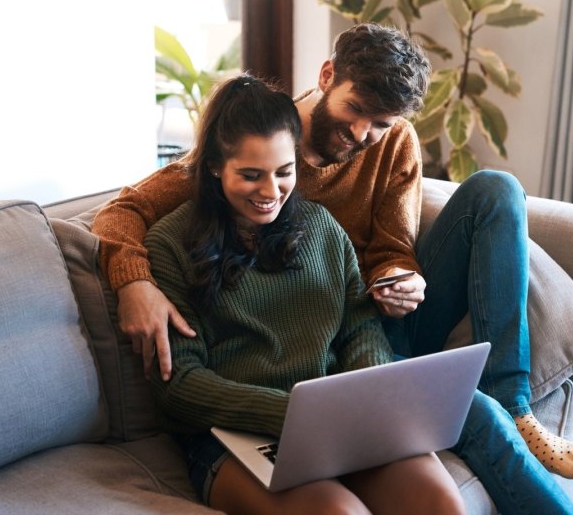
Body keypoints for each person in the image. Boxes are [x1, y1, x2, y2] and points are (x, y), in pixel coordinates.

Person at [92, 23, 573, 512]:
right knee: (465, 420)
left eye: (380, 123)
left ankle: (513, 400)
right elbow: (121, 213)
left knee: (497, 190)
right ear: (327, 76)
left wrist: (399, 283)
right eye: (355, 111)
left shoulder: (354, 188)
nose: (360, 134)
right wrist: (133, 280)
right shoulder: (217, 184)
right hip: (272, 407)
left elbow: (384, 261)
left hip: (359, 336)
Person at [143, 74, 465, 513]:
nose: (271, 192)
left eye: (284, 172)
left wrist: (365, 392)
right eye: (251, 175)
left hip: (336, 421)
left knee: (442, 503)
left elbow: (361, 326)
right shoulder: (169, 243)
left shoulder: (321, 227)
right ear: (216, 165)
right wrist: (293, 414)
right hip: (232, 435)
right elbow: (178, 383)